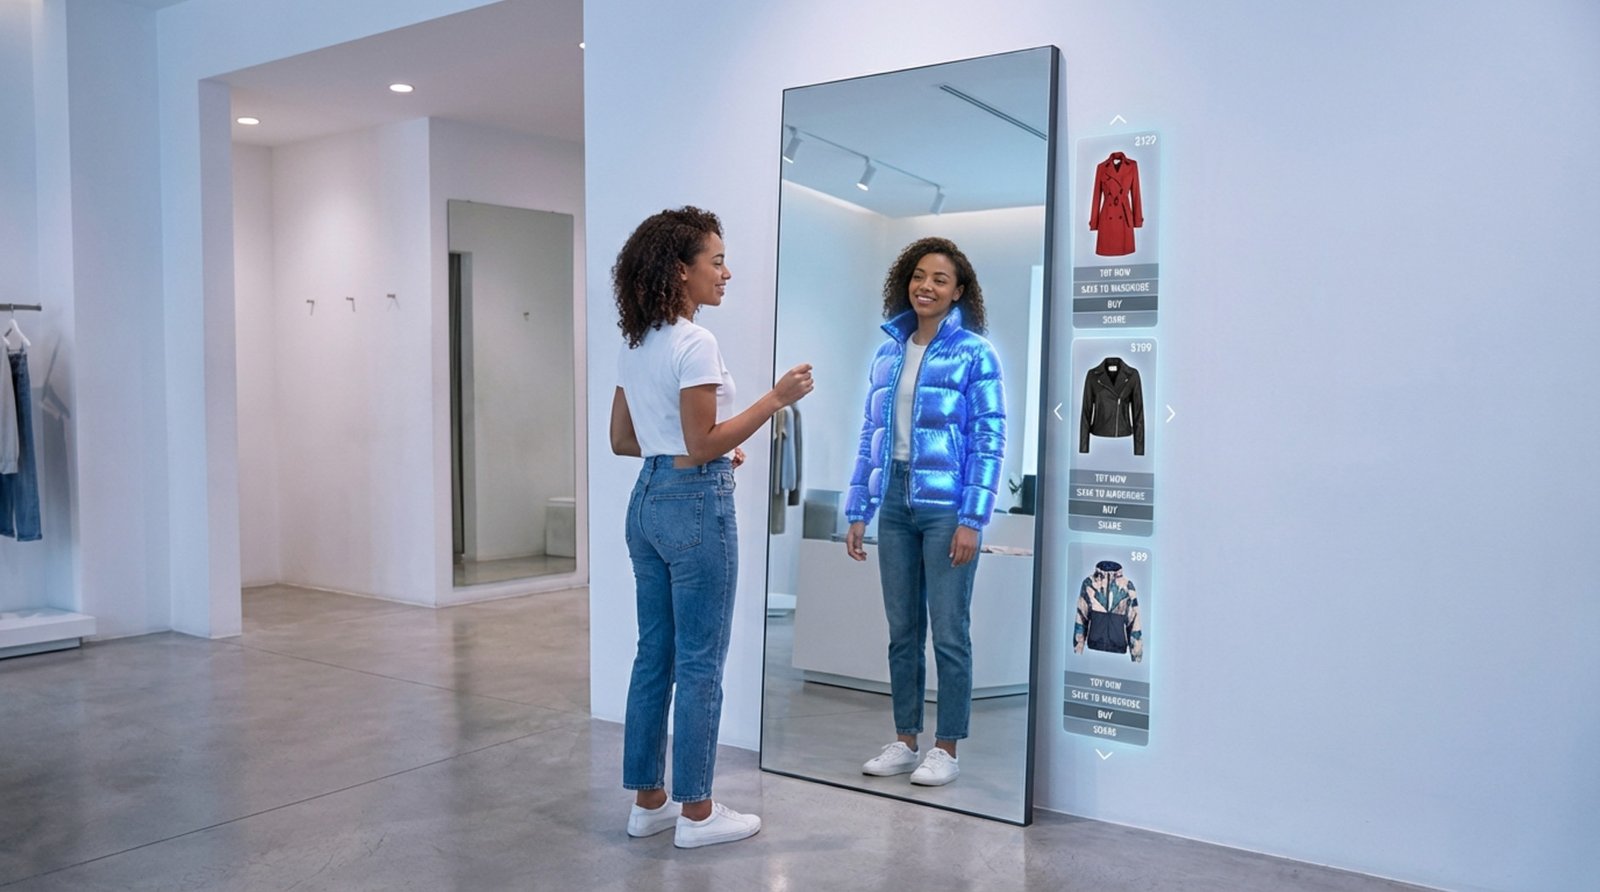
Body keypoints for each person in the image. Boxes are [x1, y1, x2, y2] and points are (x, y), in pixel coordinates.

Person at [609, 206, 813, 848]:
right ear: (681, 270)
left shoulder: (638, 340)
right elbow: (699, 445)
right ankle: (697, 813)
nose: (727, 272)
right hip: (695, 503)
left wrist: (710, 445)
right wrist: (774, 400)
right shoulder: (696, 342)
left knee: (654, 656)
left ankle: (649, 804)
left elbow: (624, 440)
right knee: (700, 663)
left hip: (646, 500)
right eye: (716, 260)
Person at [843, 236, 1005, 787]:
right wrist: (858, 506)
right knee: (902, 630)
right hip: (892, 500)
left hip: (946, 508)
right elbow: (872, 434)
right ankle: (906, 739)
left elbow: (989, 438)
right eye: (918, 275)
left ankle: (947, 747)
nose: (926, 286)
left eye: (940, 279)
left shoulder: (976, 353)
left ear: (959, 291)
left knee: (950, 632)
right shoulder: (889, 351)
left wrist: (972, 518)